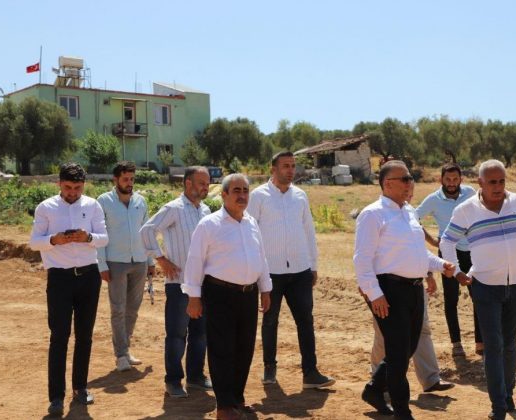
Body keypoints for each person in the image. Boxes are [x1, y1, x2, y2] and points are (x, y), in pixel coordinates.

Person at [440, 159, 516, 420]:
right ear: (480, 183)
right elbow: (447, 241)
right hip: (484, 287)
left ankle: (508, 396)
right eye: (492, 182)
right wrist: (456, 271)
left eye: (502, 181)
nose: (498, 187)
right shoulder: (466, 210)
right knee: (493, 346)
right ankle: (498, 407)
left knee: (510, 344)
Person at [354, 160, 455, 420]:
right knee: (398, 355)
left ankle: (374, 390)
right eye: (405, 179)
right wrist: (375, 294)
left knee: (407, 348)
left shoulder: (409, 212)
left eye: (410, 178)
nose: (411, 183)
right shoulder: (372, 214)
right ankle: (402, 412)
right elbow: (362, 260)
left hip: (414, 289)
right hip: (388, 290)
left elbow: (418, 253)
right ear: (388, 184)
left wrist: (440, 264)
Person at [183, 174, 272, 420]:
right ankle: (224, 407)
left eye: (245, 190)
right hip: (219, 293)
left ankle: (237, 399)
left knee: (244, 348)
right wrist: (193, 297)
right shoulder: (209, 225)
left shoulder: (251, 223)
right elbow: (194, 260)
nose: (242, 195)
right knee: (222, 349)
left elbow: (261, 257)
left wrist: (265, 288)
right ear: (223, 195)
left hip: (248, 294)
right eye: (236, 191)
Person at [247, 151, 334, 389]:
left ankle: (310, 373)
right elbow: (250, 233)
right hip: (270, 272)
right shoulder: (258, 196)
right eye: (285, 166)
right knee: (270, 321)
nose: (290, 170)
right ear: (273, 169)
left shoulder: (300, 196)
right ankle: (269, 369)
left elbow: (309, 231)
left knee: (305, 321)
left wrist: (313, 265)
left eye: (293, 166)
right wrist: (256, 270)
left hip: (300, 270)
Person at [29, 163, 108, 417]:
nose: (72, 192)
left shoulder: (93, 205)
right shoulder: (46, 207)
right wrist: (54, 240)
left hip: (89, 277)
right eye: (68, 187)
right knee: (59, 337)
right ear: (59, 184)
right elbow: (34, 242)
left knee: (84, 336)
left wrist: (88, 237)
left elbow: (104, 237)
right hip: (60, 279)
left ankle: (80, 388)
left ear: (84, 185)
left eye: (77, 188)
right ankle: (56, 397)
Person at [140, 166, 212, 398]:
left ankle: (196, 377)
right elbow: (147, 230)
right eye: (201, 183)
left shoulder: (206, 211)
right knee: (177, 335)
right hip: (179, 283)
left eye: (207, 183)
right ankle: (173, 381)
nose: (206, 187)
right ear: (188, 184)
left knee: (200, 335)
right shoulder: (174, 208)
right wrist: (161, 259)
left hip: (203, 284)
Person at [416, 163, 481, 357]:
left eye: (455, 179)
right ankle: (456, 343)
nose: (452, 183)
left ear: (461, 179)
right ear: (441, 180)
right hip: (448, 253)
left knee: (478, 297)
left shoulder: (470, 193)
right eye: (448, 179)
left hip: (472, 252)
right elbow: (413, 218)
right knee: (451, 299)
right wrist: (431, 240)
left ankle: (480, 343)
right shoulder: (433, 200)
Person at [97, 161, 155, 372]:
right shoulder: (103, 201)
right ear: (116, 179)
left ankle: (126, 348)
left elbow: (146, 232)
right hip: (116, 263)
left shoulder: (141, 201)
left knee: (133, 310)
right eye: (125, 179)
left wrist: (150, 261)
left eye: (132, 179)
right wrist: (102, 264)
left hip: (139, 261)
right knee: (118, 309)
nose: (129, 183)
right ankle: (120, 355)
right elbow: (100, 235)